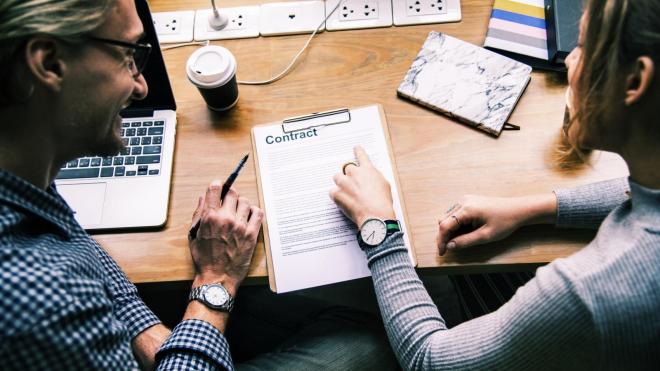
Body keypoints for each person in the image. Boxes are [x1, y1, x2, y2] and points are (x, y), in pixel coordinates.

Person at [0, 0, 396, 370]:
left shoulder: (20, 168)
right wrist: (214, 282)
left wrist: (145, 330)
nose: (141, 87)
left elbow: (70, 241)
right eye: (128, 56)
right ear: (49, 63)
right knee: (371, 339)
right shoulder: (36, 298)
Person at [330, 0, 660, 369]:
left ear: (634, 82)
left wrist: (379, 225)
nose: (568, 60)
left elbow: (430, 361)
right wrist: (534, 208)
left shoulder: (588, 291)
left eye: (583, 46)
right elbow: (643, 194)